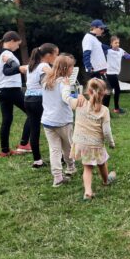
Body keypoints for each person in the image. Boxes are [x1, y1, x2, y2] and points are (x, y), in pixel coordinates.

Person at [62, 78, 116, 201]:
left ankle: (88, 192)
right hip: (96, 144)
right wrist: (111, 143)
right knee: (101, 162)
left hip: (80, 143)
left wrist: (66, 86)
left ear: (88, 91)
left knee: (88, 167)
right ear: (104, 93)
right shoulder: (104, 110)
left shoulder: (79, 103)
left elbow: (65, 97)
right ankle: (105, 181)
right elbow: (107, 131)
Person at [0, 31, 31, 157]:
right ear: (12, 41)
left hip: (0, 90)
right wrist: (19, 68)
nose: (18, 47)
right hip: (10, 89)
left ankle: (5, 150)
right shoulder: (7, 54)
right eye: (17, 44)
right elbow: (7, 71)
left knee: (7, 119)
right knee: (33, 112)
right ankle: (24, 144)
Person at [41, 54, 79, 187]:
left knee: (54, 150)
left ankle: (57, 177)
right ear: (65, 68)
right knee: (68, 146)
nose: (72, 69)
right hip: (63, 121)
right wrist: (74, 100)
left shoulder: (46, 81)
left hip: (48, 121)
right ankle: (70, 167)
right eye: (71, 67)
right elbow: (65, 97)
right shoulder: (64, 82)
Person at [24, 43, 59, 168]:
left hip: (28, 99)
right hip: (39, 100)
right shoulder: (44, 65)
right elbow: (54, 76)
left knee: (34, 130)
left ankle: (37, 160)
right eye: (56, 54)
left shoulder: (31, 65)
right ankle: (60, 157)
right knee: (54, 127)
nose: (57, 57)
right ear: (48, 55)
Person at [82, 19, 111, 106]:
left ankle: (102, 110)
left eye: (103, 29)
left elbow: (102, 46)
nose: (103, 30)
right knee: (103, 92)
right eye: (101, 28)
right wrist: (89, 66)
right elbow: (86, 53)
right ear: (94, 27)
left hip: (101, 69)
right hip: (95, 70)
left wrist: (113, 48)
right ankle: (101, 110)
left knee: (104, 92)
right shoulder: (88, 38)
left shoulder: (94, 38)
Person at [106, 35, 130, 114]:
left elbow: (127, 56)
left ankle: (108, 109)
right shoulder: (108, 51)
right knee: (115, 90)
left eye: (118, 43)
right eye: (115, 43)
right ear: (111, 43)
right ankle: (115, 109)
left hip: (115, 73)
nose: (117, 44)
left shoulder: (121, 50)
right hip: (110, 73)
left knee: (109, 91)